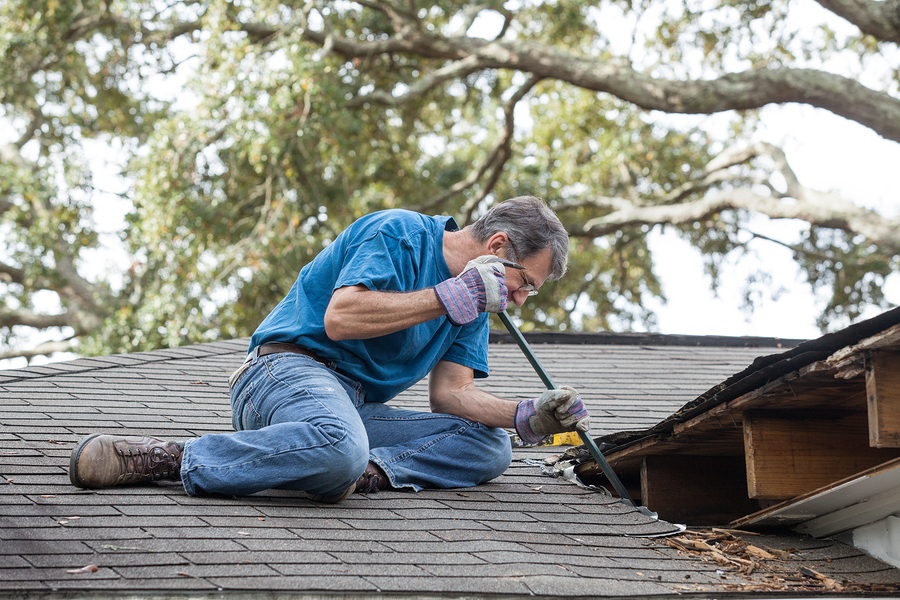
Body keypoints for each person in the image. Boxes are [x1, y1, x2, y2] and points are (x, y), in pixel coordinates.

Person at [69, 196, 591, 502]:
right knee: (340, 443)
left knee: (490, 446)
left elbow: (452, 396)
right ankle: (170, 458)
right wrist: (445, 297)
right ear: (498, 246)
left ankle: (352, 468)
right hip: (283, 373)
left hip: (353, 408)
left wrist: (529, 415)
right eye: (525, 283)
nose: (519, 300)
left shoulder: (477, 302)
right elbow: (340, 319)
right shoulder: (400, 233)